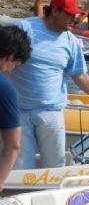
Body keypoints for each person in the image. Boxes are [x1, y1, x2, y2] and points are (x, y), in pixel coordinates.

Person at [11, 0, 89, 169]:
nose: (75, 18)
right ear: (55, 11)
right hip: (18, 111)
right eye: (70, 14)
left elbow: (80, 76)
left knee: (56, 166)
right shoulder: (25, 28)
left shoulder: (71, 40)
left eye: (76, 14)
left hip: (51, 112)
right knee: (21, 168)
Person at [0, 26, 32, 193]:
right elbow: (13, 145)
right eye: (15, 65)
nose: (11, 72)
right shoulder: (5, 89)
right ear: (10, 56)